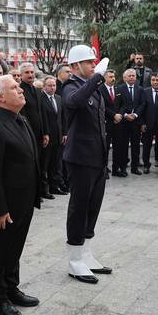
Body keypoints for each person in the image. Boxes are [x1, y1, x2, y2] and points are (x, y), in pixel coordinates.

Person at [0, 74, 41, 315]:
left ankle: (12, 288)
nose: (21, 90)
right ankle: (0, 299)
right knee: (0, 250)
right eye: (15, 88)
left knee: (15, 247)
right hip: (6, 204)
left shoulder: (21, 119)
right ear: (1, 97)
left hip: (25, 199)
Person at [61, 45, 113, 284]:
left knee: (93, 207)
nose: (94, 65)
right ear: (75, 66)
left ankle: (86, 253)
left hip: (97, 157)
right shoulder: (70, 86)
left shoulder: (93, 87)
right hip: (80, 158)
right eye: (89, 62)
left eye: (94, 62)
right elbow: (75, 101)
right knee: (79, 208)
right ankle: (74, 259)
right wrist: (97, 78)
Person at [19, 62, 53, 199]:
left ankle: (42, 190)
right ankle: (32, 193)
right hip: (28, 134)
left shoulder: (38, 91)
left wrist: (46, 133)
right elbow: (22, 115)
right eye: (27, 72)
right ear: (21, 75)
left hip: (40, 134)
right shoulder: (20, 91)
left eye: (32, 72)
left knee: (42, 164)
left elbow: (43, 113)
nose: (30, 75)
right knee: (31, 165)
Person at [114, 68, 145, 175]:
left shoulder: (140, 89)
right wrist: (125, 115)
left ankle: (134, 168)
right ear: (125, 78)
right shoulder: (119, 89)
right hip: (124, 123)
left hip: (136, 122)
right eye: (129, 76)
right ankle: (123, 168)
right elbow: (117, 105)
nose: (132, 77)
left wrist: (135, 115)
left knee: (136, 146)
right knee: (123, 146)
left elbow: (142, 104)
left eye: (133, 76)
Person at [42, 75, 68, 194]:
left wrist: (64, 133)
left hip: (58, 136)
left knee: (56, 163)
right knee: (45, 164)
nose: (52, 87)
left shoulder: (58, 98)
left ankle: (55, 186)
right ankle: (44, 189)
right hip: (47, 137)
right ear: (44, 87)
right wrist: (45, 133)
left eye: (54, 85)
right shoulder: (41, 99)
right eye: (49, 85)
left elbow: (63, 117)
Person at [99, 70, 120, 178]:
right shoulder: (100, 90)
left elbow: (122, 103)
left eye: (114, 76)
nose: (113, 79)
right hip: (106, 122)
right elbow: (102, 107)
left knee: (118, 147)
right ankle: (104, 169)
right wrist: (114, 115)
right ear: (105, 78)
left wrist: (119, 115)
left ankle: (116, 169)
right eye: (110, 77)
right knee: (105, 148)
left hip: (118, 122)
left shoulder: (117, 89)